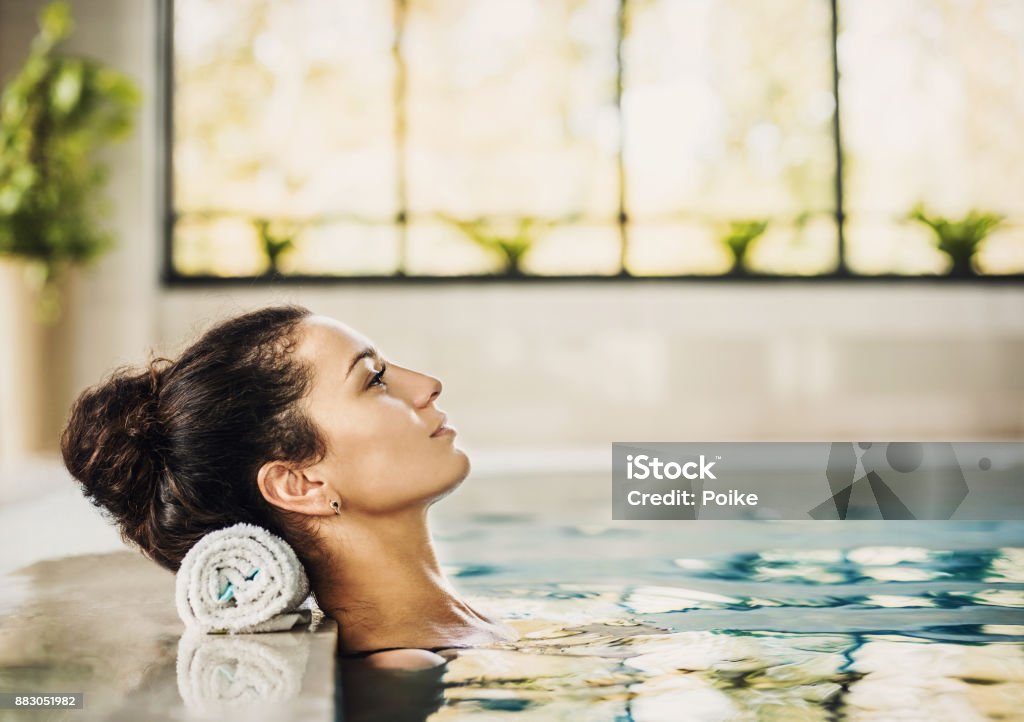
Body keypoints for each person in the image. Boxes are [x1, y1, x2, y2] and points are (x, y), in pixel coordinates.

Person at [60, 304, 517, 669]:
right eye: (374, 379)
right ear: (300, 484)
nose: (428, 386)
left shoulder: (453, 633)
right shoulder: (407, 667)